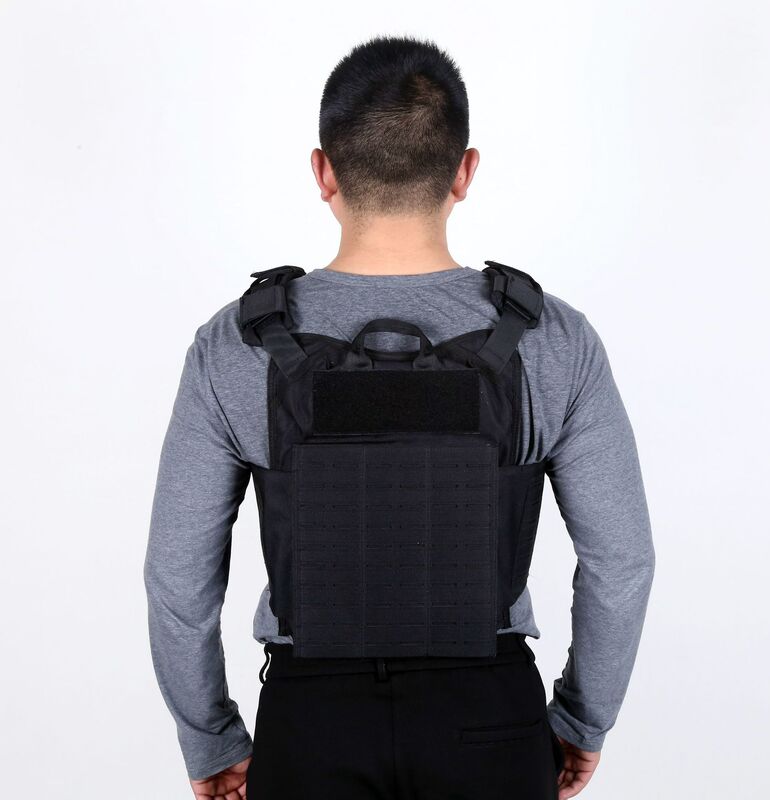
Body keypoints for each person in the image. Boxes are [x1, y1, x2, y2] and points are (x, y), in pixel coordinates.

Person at [144, 34, 655, 800]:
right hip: (491, 723)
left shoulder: (234, 344)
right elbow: (622, 562)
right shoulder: (554, 339)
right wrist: (582, 720)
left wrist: (210, 738)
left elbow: (177, 579)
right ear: (465, 171)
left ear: (323, 171)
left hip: (311, 725)